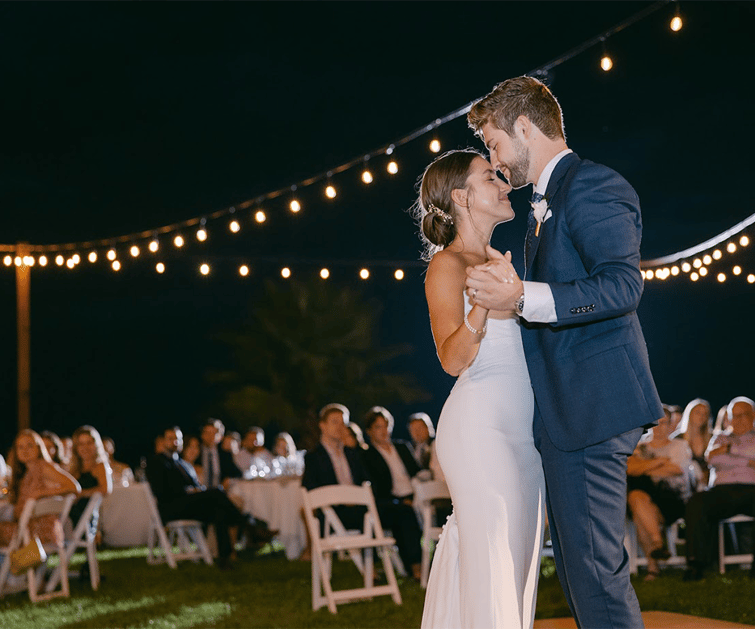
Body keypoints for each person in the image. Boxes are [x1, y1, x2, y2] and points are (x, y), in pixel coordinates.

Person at [465, 76, 663, 628]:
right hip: (570, 412)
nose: (496, 161)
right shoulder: (544, 202)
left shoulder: (594, 185)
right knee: (581, 571)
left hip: (594, 406)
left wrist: (521, 294)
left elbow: (623, 285)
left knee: (596, 572)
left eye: (495, 144)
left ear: (524, 127)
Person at [414, 148, 545, 628]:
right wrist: (483, 305)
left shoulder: (505, 260)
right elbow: (452, 358)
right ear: (462, 197)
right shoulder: (447, 265)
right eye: (490, 176)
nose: (504, 181)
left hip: (523, 436)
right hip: (479, 429)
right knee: (493, 560)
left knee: (519, 562)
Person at [147, 426, 274, 569]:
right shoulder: (157, 462)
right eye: (171, 438)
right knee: (216, 493)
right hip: (171, 507)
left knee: (219, 510)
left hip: (188, 505)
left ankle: (224, 557)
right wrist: (188, 491)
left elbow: (195, 485)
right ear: (163, 441)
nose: (175, 442)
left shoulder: (181, 463)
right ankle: (249, 526)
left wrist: (196, 491)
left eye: (178, 439)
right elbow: (161, 491)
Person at [683, 397, 755, 580]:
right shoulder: (719, 437)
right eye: (734, 416)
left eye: (743, 415)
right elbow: (712, 459)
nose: (737, 420)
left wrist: (729, 450)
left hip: (751, 490)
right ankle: (696, 564)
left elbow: (721, 457)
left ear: (753, 415)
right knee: (696, 502)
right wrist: (747, 460)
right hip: (722, 492)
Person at [627, 410, 693, 580]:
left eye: (664, 422)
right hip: (645, 496)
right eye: (656, 422)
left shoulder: (678, 445)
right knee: (636, 499)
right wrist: (660, 462)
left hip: (672, 497)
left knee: (637, 505)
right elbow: (630, 469)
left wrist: (645, 466)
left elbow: (676, 469)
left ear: (671, 424)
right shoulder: (639, 446)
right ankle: (657, 542)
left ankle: (653, 566)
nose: (659, 427)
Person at [361, 406, 423, 581]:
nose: (384, 431)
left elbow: (417, 473)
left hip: (416, 495)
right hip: (392, 501)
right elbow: (377, 488)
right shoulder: (368, 455)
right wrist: (403, 501)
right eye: (378, 427)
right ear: (370, 431)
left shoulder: (402, 447)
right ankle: (416, 567)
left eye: (386, 425)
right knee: (404, 514)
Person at [0, 430, 80, 547]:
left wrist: (41, 492)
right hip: (27, 529)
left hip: (37, 533)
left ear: (39, 448)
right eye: (20, 447)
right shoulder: (26, 472)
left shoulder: (44, 467)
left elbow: (74, 487)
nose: (25, 450)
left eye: (29, 445)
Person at [302, 404, 370, 532]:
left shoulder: (353, 454)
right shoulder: (313, 457)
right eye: (335, 422)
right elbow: (310, 490)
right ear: (322, 425)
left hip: (361, 508)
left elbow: (367, 480)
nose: (340, 427)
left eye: (343, 423)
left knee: (400, 513)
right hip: (333, 514)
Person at [68, 425, 113, 528]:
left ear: (96, 445)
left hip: (84, 516)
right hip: (71, 510)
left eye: (89, 443)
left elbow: (106, 489)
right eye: (81, 444)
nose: (85, 448)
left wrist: (81, 494)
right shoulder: (74, 469)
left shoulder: (100, 466)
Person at [671, 399, 714, 488]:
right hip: (684, 481)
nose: (701, 416)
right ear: (689, 414)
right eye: (698, 412)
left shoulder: (712, 438)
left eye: (705, 413)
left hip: (709, 483)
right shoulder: (678, 438)